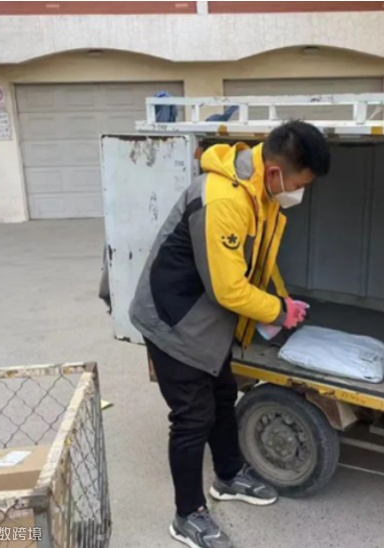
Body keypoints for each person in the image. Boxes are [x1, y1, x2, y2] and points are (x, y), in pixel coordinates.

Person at [128, 120, 331, 548]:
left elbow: (250, 266)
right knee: (191, 419)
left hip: (208, 320)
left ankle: (229, 475)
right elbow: (229, 288)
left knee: (222, 397)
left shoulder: (261, 194)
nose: (300, 193)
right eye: (300, 184)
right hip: (173, 320)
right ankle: (188, 515)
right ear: (275, 172)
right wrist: (278, 311)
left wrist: (278, 301)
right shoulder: (224, 199)